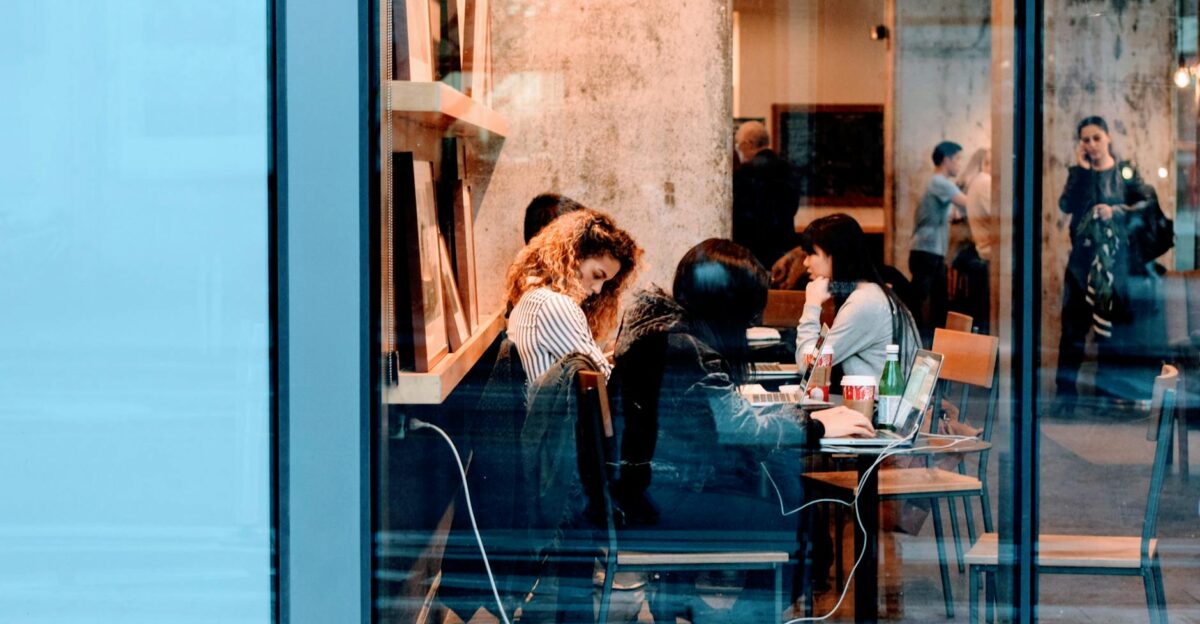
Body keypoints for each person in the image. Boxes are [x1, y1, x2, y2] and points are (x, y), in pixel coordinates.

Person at [610, 239, 874, 617]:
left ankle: (707, 611)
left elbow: (720, 423)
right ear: (728, 305)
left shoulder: (664, 333)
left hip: (651, 491)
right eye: (750, 308)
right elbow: (738, 427)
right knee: (806, 529)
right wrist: (815, 423)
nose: (753, 320)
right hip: (663, 501)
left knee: (784, 489)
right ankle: (738, 617)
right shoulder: (686, 348)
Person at [1055, 115, 1164, 407]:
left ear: (1108, 138)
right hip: (1082, 264)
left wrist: (1115, 210)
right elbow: (1065, 204)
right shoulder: (1079, 173)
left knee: (1110, 332)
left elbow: (1147, 205)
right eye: (1086, 140)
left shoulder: (1125, 172)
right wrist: (1080, 169)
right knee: (1073, 331)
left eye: (1096, 138)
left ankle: (1107, 394)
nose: (1091, 145)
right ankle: (1066, 397)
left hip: (1115, 264)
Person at [504, 208, 642, 382]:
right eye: (597, 275)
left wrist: (606, 358)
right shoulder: (554, 305)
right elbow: (602, 381)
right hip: (562, 409)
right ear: (574, 257)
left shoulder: (533, 297)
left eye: (605, 283)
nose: (598, 289)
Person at [797, 214, 922, 381]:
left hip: (878, 405)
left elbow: (808, 367)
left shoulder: (864, 302)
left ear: (835, 254)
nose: (805, 263)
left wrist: (812, 305)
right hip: (874, 401)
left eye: (811, 254)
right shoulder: (869, 292)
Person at [910, 141, 969, 345]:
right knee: (926, 302)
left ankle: (930, 347)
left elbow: (950, 213)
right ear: (947, 159)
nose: (960, 164)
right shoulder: (940, 182)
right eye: (958, 159)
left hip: (927, 251)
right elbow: (969, 203)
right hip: (927, 251)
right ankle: (922, 345)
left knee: (935, 301)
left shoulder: (936, 184)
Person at [732, 121, 802, 269]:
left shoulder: (745, 173)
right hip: (784, 246)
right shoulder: (789, 168)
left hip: (754, 251)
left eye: (739, 144)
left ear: (749, 143)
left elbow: (742, 216)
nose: (739, 149)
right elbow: (792, 207)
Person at [949, 147, 992, 333]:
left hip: (979, 251)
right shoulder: (985, 183)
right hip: (987, 255)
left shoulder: (977, 182)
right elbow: (1003, 219)